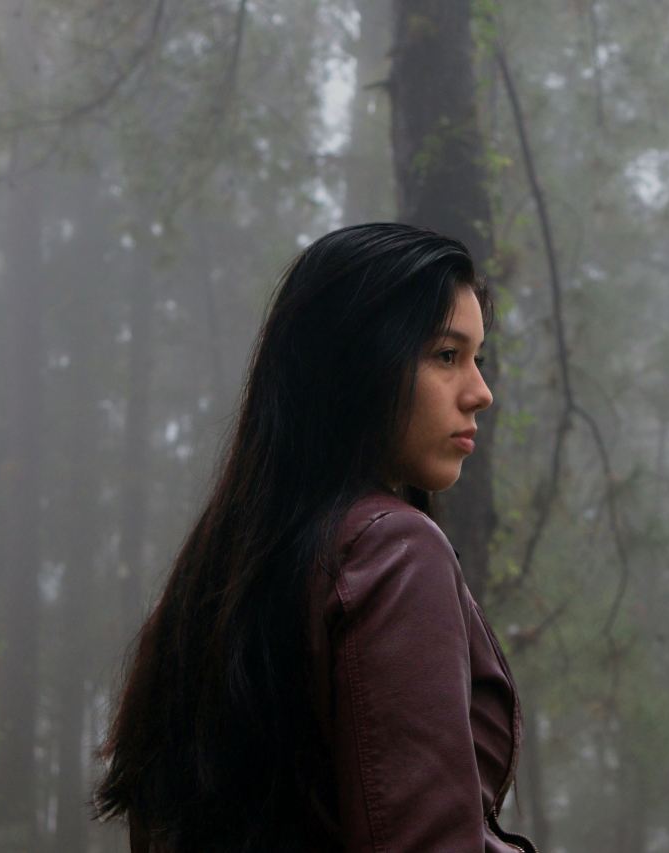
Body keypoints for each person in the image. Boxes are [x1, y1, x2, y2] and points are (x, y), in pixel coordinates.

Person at [94, 223, 538, 852]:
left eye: (477, 360)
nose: (481, 394)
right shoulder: (395, 550)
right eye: (445, 356)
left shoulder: (219, 575)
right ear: (358, 365)